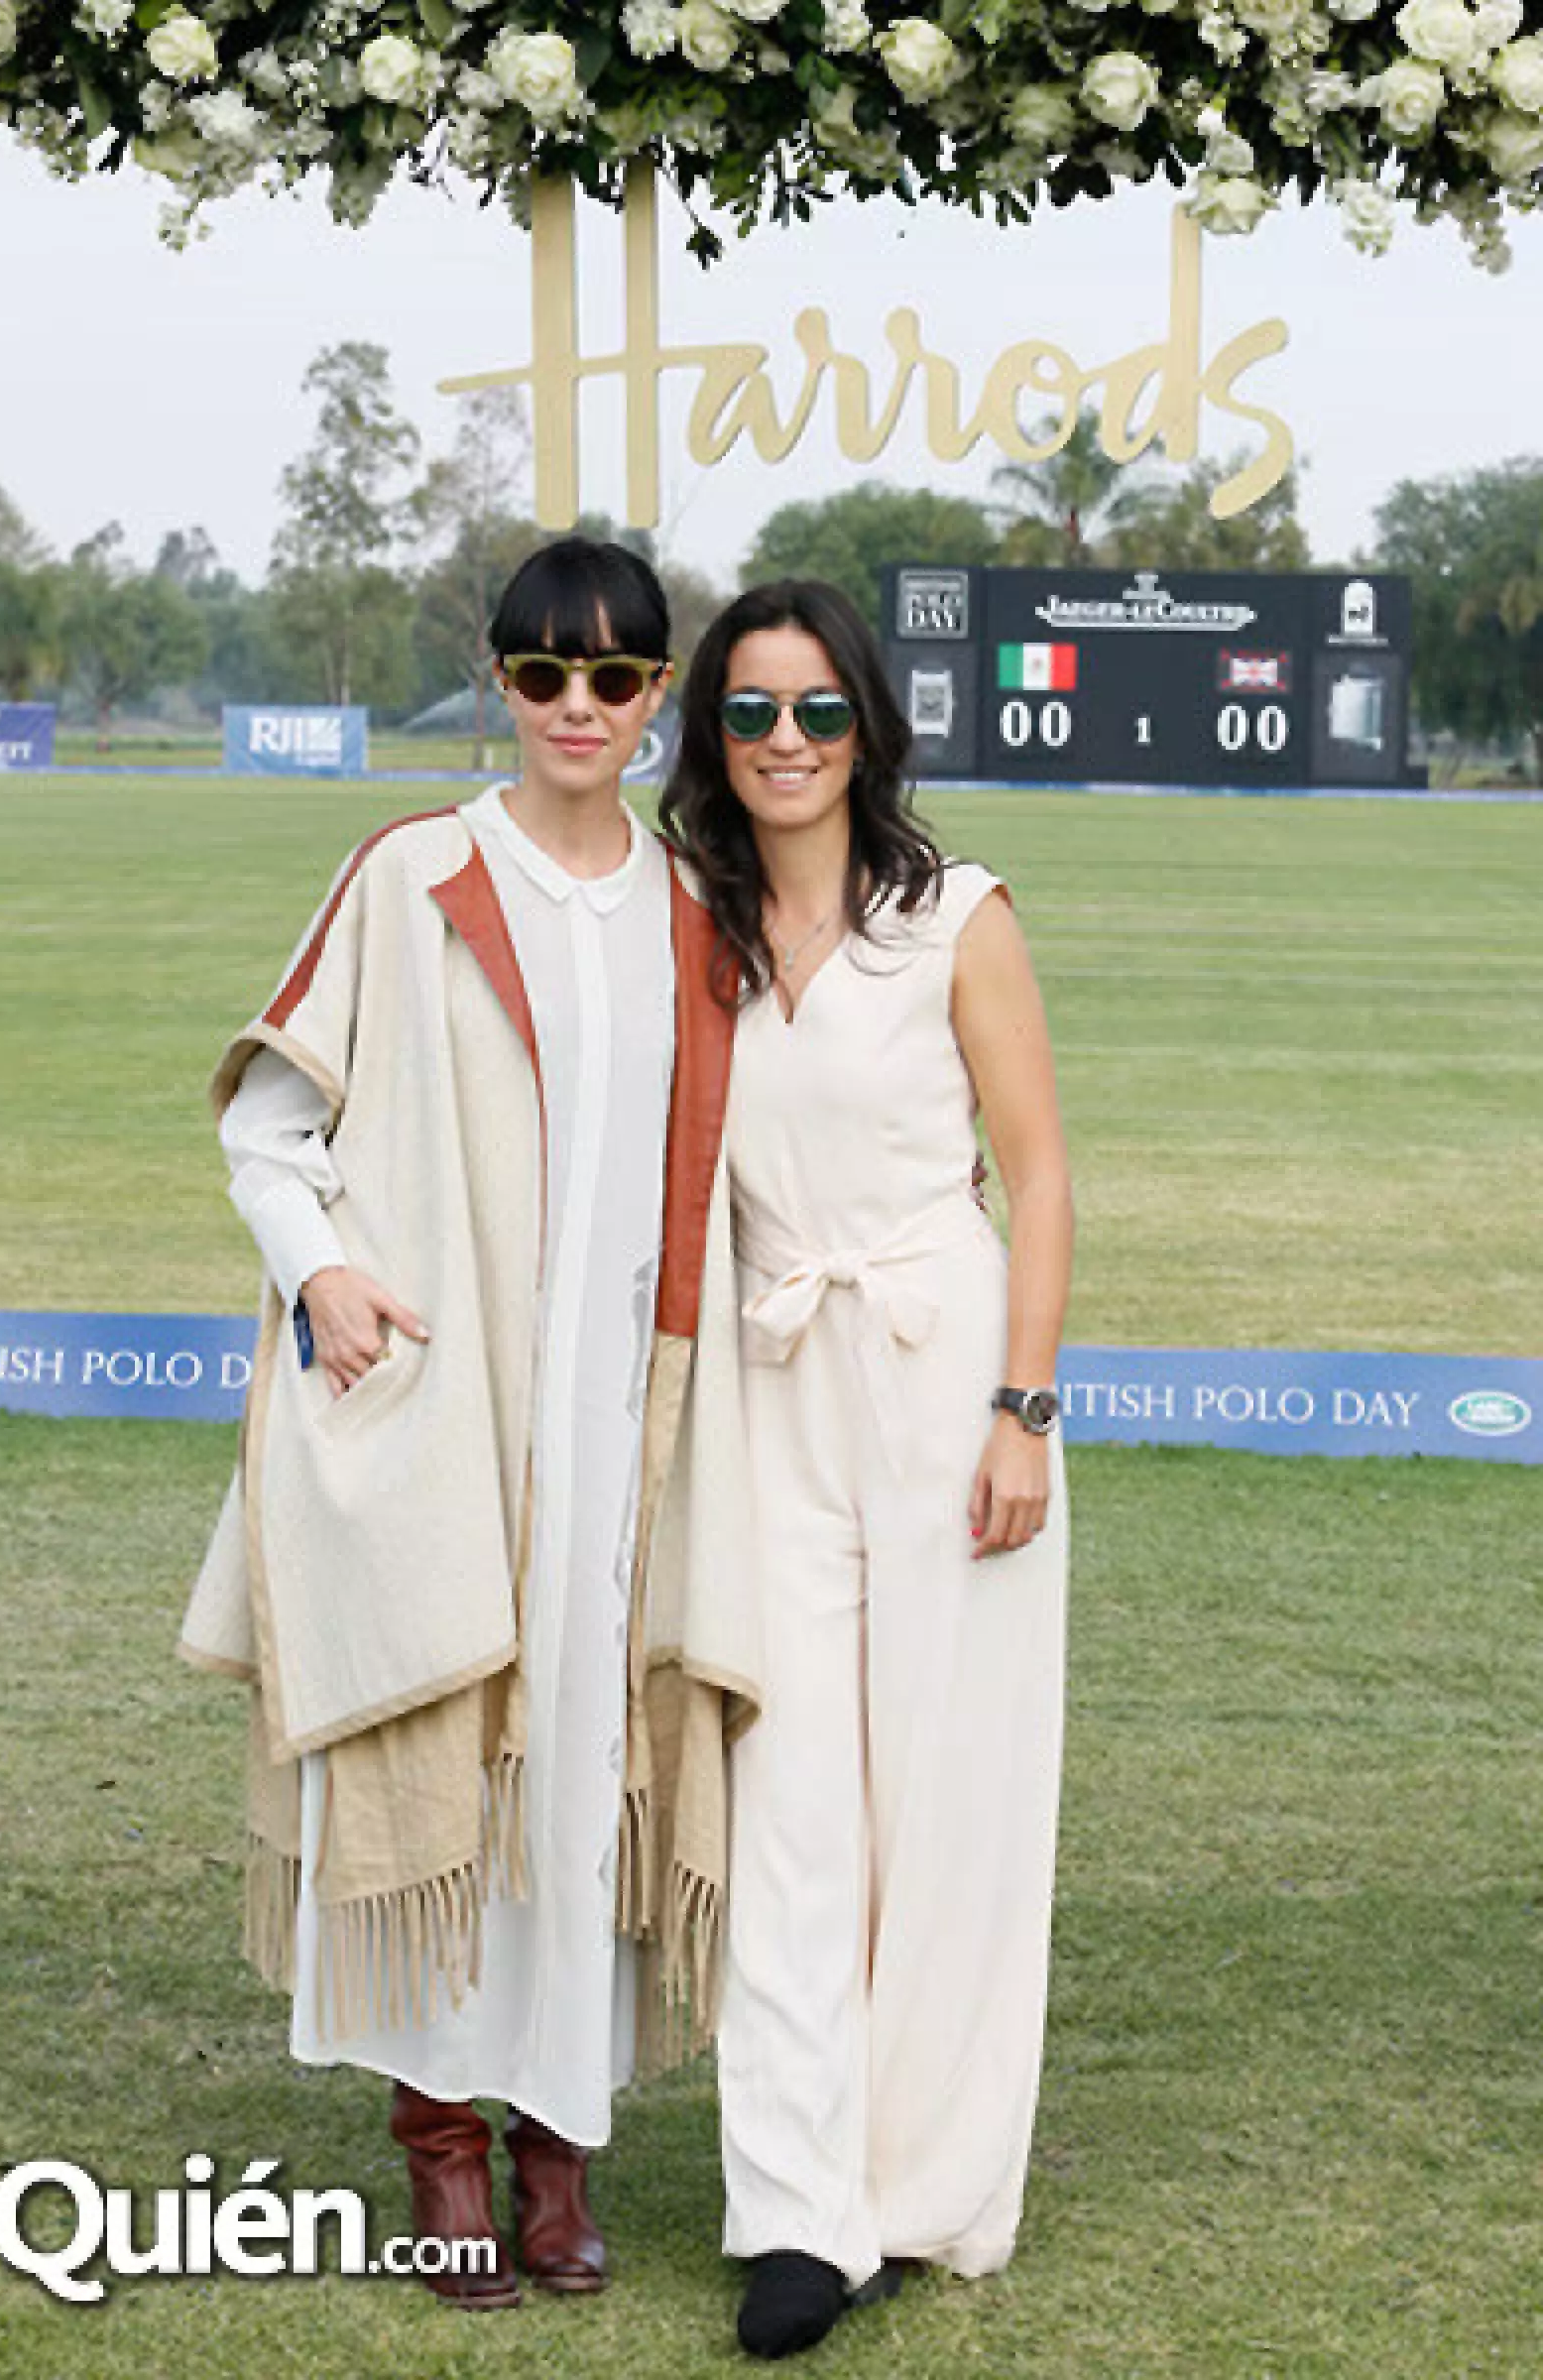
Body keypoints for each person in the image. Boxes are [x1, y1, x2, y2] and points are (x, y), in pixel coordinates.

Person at [179, 537, 761, 2311]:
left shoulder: (689, 913)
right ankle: (442, 2147)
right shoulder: (414, 877)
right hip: (443, 1400)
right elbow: (272, 1127)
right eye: (540, 672)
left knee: (588, 1767)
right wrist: (323, 1273)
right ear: (497, 679)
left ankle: (560, 2152)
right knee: (449, 1752)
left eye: (613, 676)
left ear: (658, 698)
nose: (575, 706)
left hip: (629, 1428)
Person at [660, 579, 1073, 2360]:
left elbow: (1041, 1175)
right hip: (771, 1388)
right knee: (792, 1807)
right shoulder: (695, 927)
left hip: (940, 1369)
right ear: (714, 737)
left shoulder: (955, 915)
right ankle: (798, 2215)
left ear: (869, 725)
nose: (785, 746)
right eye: (752, 715)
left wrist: (1023, 1409)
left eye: (818, 713)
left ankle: (916, 2188)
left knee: (948, 1793)